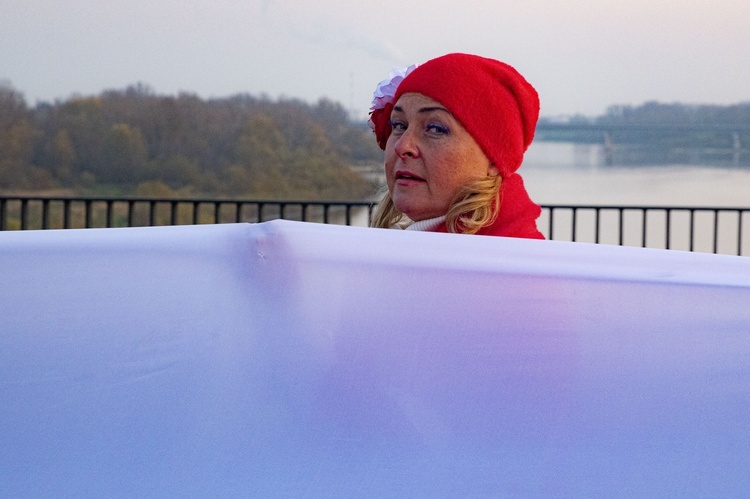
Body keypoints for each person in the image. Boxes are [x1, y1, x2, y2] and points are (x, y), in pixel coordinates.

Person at [368, 53, 544, 239]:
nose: (403, 146)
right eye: (398, 125)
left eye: (435, 129)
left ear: (493, 160)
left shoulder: (509, 264)